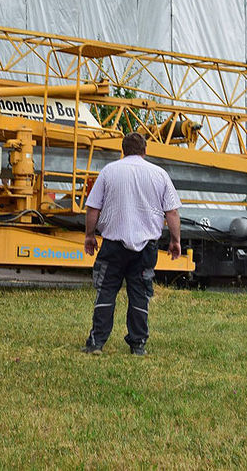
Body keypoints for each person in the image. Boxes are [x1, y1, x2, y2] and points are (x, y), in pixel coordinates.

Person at [82, 132, 181, 356]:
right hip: (146, 248)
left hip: (113, 245)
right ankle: (138, 345)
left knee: (106, 291)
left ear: (123, 150)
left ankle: (97, 343)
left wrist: (89, 235)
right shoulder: (160, 174)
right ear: (145, 151)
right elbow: (172, 212)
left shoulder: (109, 171)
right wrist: (175, 241)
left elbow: (93, 208)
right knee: (139, 294)